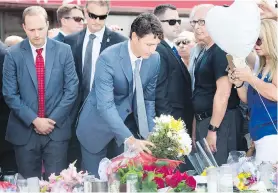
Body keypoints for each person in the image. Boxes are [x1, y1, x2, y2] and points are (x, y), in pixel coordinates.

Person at [75, 12, 163, 177]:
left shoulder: (155, 59)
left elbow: (148, 99)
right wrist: (130, 140)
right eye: (149, 44)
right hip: (95, 127)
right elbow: (105, 105)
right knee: (96, 183)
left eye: (156, 45)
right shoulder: (108, 58)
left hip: (127, 126)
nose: (153, 50)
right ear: (135, 37)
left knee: (125, 182)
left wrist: (151, 134)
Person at [2, 6, 79, 178]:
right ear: (23, 27)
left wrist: (52, 120)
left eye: (40, 28)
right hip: (24, 132)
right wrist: (35, 120)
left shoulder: (64, 51)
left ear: (47, 24)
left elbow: (72, 89)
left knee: (58, 185)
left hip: (56, 131)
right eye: (31, 29)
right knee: (29, 185)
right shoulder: (13, 54)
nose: (36, 34)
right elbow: (10, 94)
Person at [64, 0, 127, 169]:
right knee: (75, 169)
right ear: (85, 13)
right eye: (93, 16)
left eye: (102, 17)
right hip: (73, 112)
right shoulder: (68, 41)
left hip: (106, 114)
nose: (97, 21)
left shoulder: (120, 42)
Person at [190, 4, 241, 166]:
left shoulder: (220, 50)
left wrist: (213, 130)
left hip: (219, 123)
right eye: (195, 22)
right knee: (206, 175)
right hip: (204, 121)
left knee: (219, 175)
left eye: (202, 22)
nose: (197, 27)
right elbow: (199, 92)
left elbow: (223, 93)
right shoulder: (204, 51)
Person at [228, 19, 277, 163]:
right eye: (253, 41)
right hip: (260, 135)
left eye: (259, 40)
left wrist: (250, 78)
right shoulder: (262, 66)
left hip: (272, 134)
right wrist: (239, 83)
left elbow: (275, 94)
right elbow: (250, 100)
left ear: (271, 38)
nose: (255, 45)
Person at [154, 4, 193, 136]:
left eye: (178, 21)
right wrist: (169, 127)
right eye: (172, 22)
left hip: (179, 120)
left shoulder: (169, 49)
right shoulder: (159, 49)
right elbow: (159, 92)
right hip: (171, 123)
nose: (177, 25)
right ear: (157, 23)